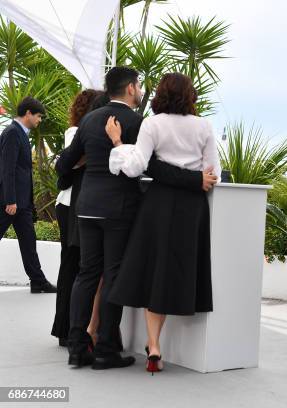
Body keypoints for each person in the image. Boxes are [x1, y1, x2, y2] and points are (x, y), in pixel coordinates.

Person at [56, 67, 206, 370]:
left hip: (85, 206)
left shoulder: (88, 120)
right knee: (113, 276)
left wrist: (89, 160)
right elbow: (152, 168)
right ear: (129, 89)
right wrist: (196, 180)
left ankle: (76, 348)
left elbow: (64, 165)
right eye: (138, 85)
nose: (140, 90)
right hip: (119, 209)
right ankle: (106, 349)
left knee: (86, 275)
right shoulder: (138, 123)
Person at [104, 72, 220, 374]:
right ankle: (157, 344)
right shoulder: (204, 125)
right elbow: (213, 173)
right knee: (175, 271)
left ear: (160, 95)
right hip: (191, 206)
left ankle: (154, 345)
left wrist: (118, 145)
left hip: (157, 203)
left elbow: (135, 167)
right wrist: (195, 177)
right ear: (190, 95)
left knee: (153, 270)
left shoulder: (151, 124)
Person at [51, 89, 107, 347]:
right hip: (70, 205)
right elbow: (68, 163)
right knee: (71, 267)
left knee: (76, 267)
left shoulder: (83, 130)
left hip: (77, 203)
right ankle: (65, 329)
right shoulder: (77, 132)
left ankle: (70, 329)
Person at [0, 97, 56, 294]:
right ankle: (38, 280)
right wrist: (10, 200)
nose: (39, 120)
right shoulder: (13, 133)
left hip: (21, 203)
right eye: (38, 116)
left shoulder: (21, 133)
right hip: (10, 202)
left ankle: (37, 281)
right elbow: (7, 169)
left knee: (29, 242)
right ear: (28, 114)